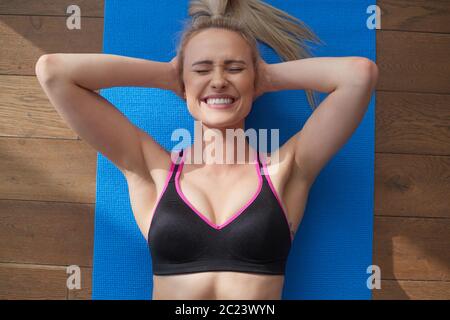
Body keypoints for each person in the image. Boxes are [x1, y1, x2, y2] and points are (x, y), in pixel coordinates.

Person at [35, 0, 378, 300]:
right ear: (182, 82)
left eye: (235, 68)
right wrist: (168, 74)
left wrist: (266, 76)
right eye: (202, 69)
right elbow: (54, 72)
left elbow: (359, 76)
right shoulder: (151, 170)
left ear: (255, 80)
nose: (218, 80)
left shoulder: (287, 170)